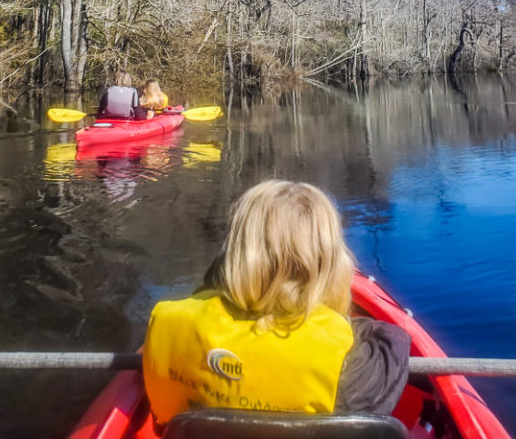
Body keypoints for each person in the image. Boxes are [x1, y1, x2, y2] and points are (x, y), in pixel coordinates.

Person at [142, 180, 409, 426]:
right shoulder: (352, 368)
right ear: (329, 262)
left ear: (235, 255)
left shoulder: (168, 321)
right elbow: (393, 341)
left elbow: (206, 292)